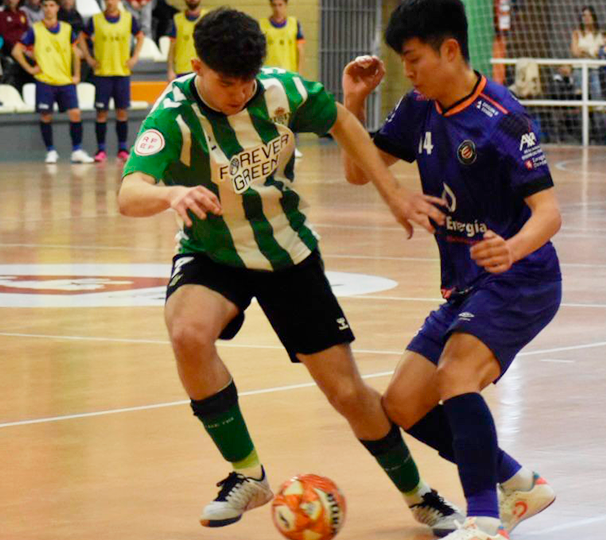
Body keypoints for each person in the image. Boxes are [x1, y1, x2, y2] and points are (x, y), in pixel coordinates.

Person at [117, 8, 464, 536]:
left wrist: (392, 195)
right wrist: (170, 192)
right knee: (188, 331)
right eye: (225, 82)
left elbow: (343, 123)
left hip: (286, 253)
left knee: (348, 395)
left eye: (246, 81)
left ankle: (420, 496)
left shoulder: (282, 91)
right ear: (197, 66)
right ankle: (247, 473)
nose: (237, 93)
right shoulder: (173, 113)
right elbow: (129, 193)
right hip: (213, 251)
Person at [341, 1, 562, 539]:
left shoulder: (501, 119)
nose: (408, 72)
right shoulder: (420, 106)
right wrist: (352, 102)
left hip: (521, 278)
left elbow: (549, 213)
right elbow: (355, 171)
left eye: (414, 59)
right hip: (464, 285)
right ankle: (518, 481)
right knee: (403, 404)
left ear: (451, 49)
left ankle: (483, 520)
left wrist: (511, 248)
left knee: (456, 376)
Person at [13, 0, 94, 163]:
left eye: (52, 5)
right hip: (45, 80)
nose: (49, 9)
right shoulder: (35, 30)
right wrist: (30, 69)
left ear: (57, 8)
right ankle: (50, 151)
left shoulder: (66, 29)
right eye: (45, 6)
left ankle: (77, 150)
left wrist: (77, 75)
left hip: (65, 80)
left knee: (75, 113)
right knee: (45, 116)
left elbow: (75, 53)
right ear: (42, 8)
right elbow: (16, 51)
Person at [80, 0, 143, 162]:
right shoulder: (95, 20)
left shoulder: (129, 19)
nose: (110, 2)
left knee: (122, 112)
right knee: (101, 113)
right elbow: (81, 37)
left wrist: (134, 57)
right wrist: (89, 58)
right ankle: (100, 150)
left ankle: (122, 148)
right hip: (102, 73)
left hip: (122, 72)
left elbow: (140, 36)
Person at [259, 0, 305, 158]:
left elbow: (301, 51)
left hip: (289, 75)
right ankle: (269, 146)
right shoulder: (263, 25)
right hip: (268, 75)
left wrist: (299, 73)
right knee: (269, 112)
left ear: (286, 5)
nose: (278, 8)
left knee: (291, 111)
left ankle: (293, 146)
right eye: (275, 5)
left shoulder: (294, 24)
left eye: (281, 5)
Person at [165, 0, 204, 82]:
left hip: (201, 71)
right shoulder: (177, 19)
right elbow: (171, 48)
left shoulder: (207, 18)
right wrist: (170, 70)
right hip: (181, 71)